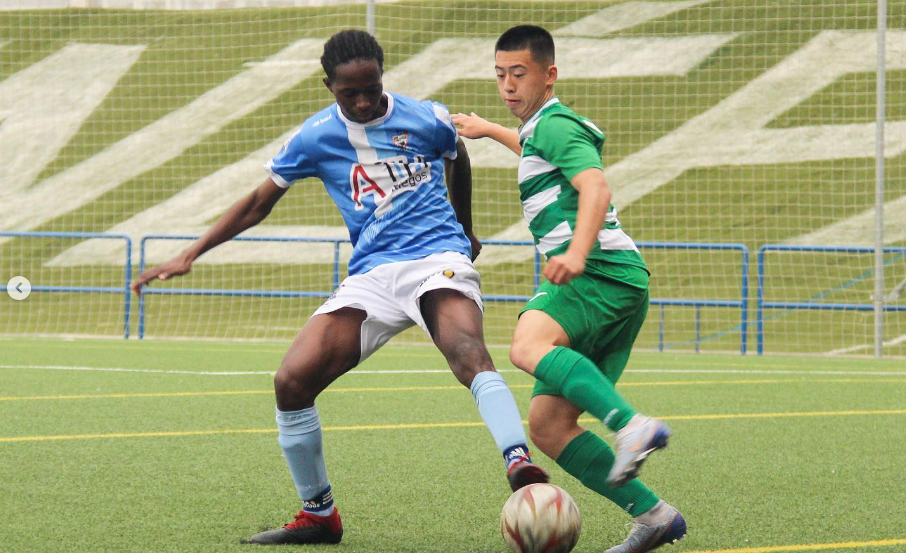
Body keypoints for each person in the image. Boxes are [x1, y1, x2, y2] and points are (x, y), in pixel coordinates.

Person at [131, 29, 548, 546]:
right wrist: (189, 253)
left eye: (372, 86)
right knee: (291, 381)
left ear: (381, 75)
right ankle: (319, 515)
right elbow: (258, 203)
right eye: (350, 92)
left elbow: (457, 156)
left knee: (466, 350)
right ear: (328, 85)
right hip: (371, 274)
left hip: (435, 256)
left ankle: (518, 461)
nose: (365, 100)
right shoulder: (314, 137)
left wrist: (465, 228)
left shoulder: (428, 117)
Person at [452, 25, 686, 553]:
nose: (508, 85)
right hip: (620, 283)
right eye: (500, 75)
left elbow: (595, 185)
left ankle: (631, 426)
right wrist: (489, 129)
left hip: (598, 272)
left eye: (520, 74)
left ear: (549, 75)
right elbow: (537, 148)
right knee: (549, 426)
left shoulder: (555, 124)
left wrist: (576, 254)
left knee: (526, 346)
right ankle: (653, 516)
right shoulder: (542, 129)